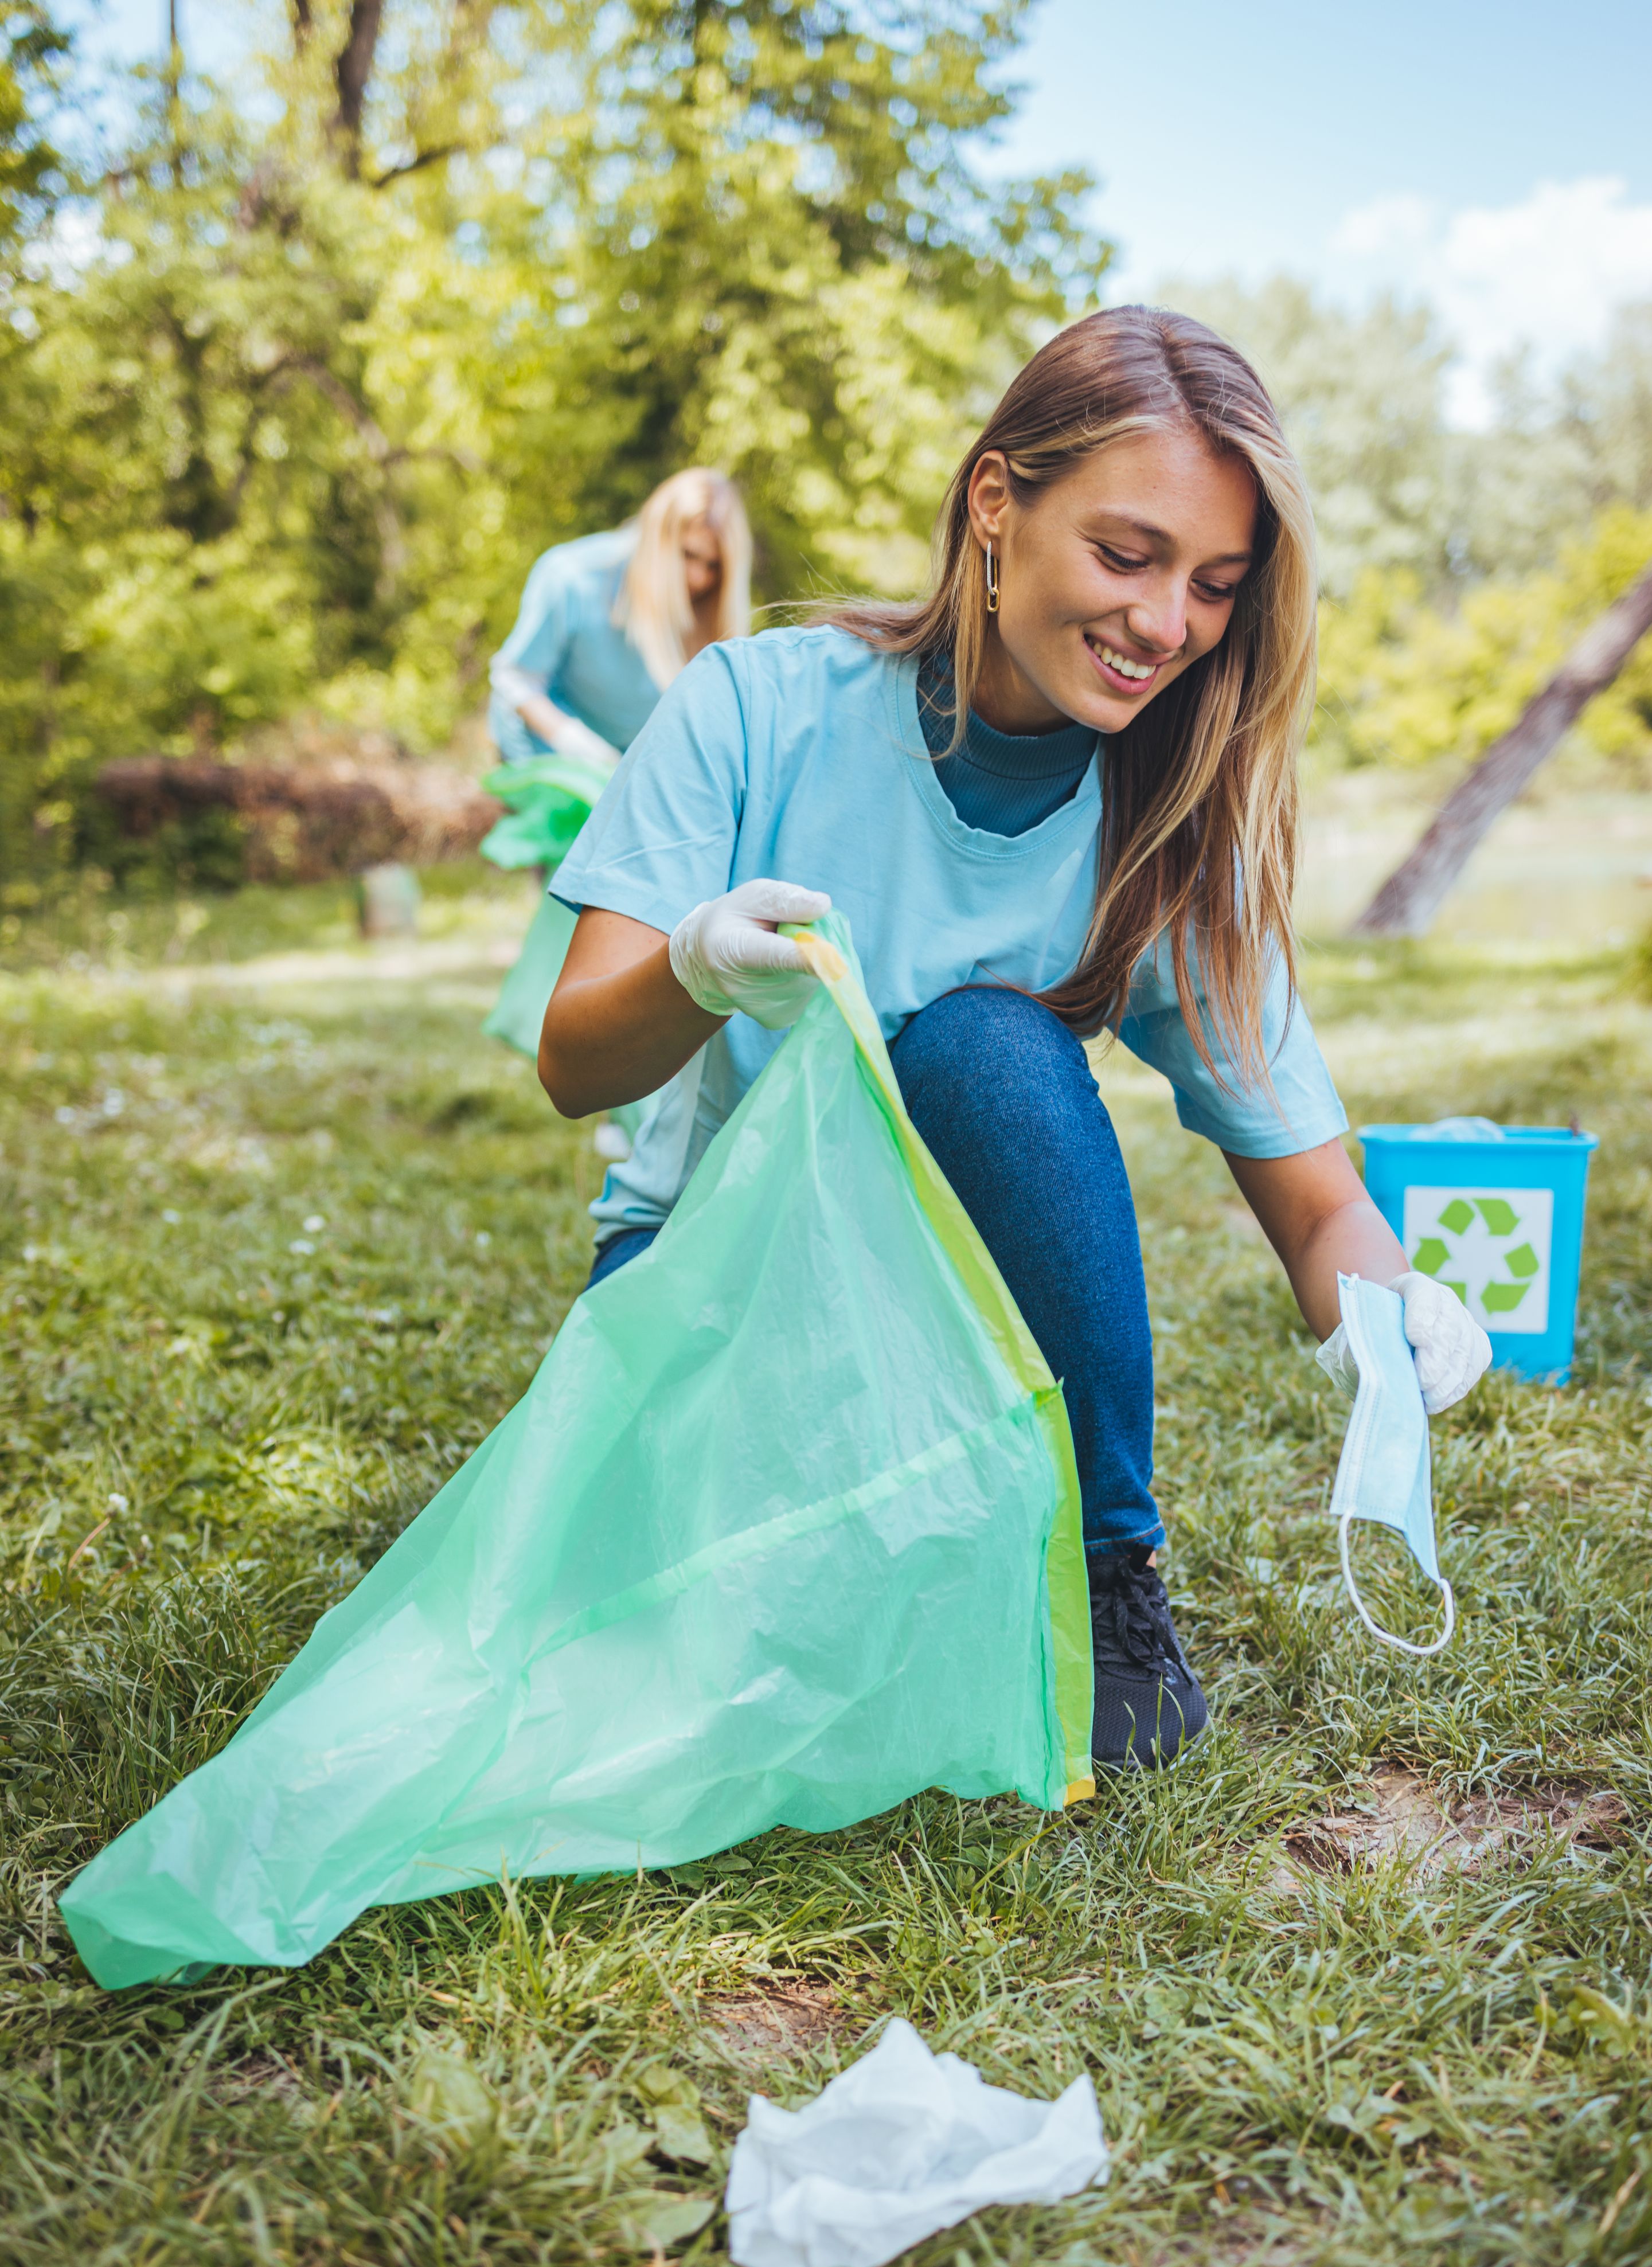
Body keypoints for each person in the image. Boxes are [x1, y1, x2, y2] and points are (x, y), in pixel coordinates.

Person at [536, 308, 1493, 1775]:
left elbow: (1315, 1199)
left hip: (947, 1344)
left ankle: (1103, 1579)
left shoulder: (1170, 822)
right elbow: (574, 1063)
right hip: (719, 1297)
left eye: (1215, 585)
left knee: (990, 1046)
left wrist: (1387, 1315)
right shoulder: (757, 706)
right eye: (1126, 554)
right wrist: (695, 962)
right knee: (720, 1666)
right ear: (996, 505)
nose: (1166, 624)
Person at [488, 467, 753, 767]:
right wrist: (572, 741)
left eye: (714, 565)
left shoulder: (705, 607)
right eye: (688, 555)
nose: (698, 577)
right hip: (543, 762)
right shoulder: (573, 576)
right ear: (659, 539)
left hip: (625, 771)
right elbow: (515, 678)